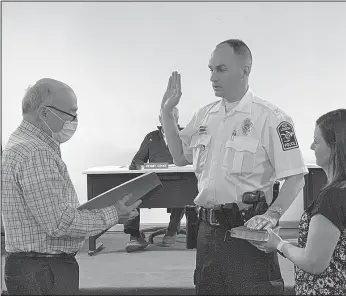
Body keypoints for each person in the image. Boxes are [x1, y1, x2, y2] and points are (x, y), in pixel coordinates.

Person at [160, 39, 308, 295]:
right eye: (210, 70)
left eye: (221, 69)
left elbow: (296, 178)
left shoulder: (271, 118)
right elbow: (180, 157)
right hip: (208, 232)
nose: (212, 77)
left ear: (245, 70)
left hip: (247, 230)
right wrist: (167, 114)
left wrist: (272, 215)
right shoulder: (205, 115)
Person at [1, 78, 141, 295]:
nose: (74, 121)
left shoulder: (21, 144)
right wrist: (114, 213)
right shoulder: (35, 152)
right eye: (70, 113)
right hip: (43, 271)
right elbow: (59, 224)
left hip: (34, 268)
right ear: (44, 113)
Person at [253, 109, 346, 295]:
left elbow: (314, 263)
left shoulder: (332, 199)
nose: (312, 147)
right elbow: (330, 246)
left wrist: (279, 244)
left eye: (316, 141)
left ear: (335, 147)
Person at [124, 108, 185, 252]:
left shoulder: (185, 135)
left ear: (177, 119)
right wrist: (142, 166)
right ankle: (134, 235)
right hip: (154, 181)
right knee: (132, 193)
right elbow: (137, 161)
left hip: (179, 180)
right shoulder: (151, 137)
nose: (168, 121)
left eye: (172, 118)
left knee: (183, 192)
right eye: (165, 118)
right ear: (160, 119)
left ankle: (172, 230)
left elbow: (196, 157)